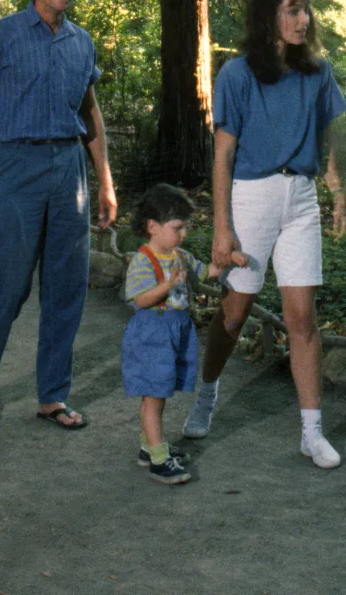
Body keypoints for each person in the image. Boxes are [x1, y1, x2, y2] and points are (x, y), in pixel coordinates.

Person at [184, 0, 346, 468]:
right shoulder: (236, 74)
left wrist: (337, 192)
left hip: (300, 197)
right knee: (234, 314)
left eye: (306, 9)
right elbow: (223, 156)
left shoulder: (317, 72)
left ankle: (311, 432)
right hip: (250, 197)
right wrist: (221, 226)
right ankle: (207, 394)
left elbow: (330, 138)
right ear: (268, 16)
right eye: (292, 10)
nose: (304, 19)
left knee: (302, 319)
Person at [0, 0, 117, 427]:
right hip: (17, 169)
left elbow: (90, 114)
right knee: (8, 283)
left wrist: (105, 182)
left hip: (69, 170)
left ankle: (53, 395)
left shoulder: (81, 42)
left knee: (67, 287)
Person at [121, 183, 248, 485]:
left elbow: (206, 273)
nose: (183, 234)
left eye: (185, 228)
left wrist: (229, 260)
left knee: (160, 394)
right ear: (152, 226)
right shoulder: (143, 260)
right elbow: (138, 299)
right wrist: (167, 285)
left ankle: (149, 447)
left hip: (174, 333)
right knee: (154, 397)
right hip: (152, 335)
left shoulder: (180, 256)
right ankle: (159, 461)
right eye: (177, 228)